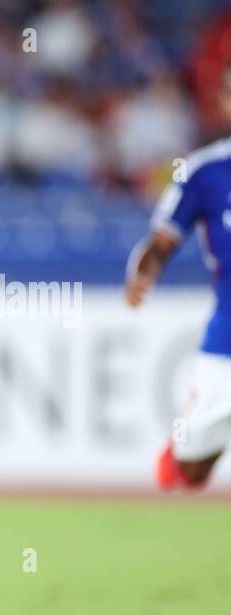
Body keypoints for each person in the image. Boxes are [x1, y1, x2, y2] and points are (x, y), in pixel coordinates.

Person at [128, 64, 231, 492]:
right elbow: (164, 238)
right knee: (191, 470)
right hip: (228, 334)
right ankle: (182, 448)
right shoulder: (205, 171)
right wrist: (144, 273)